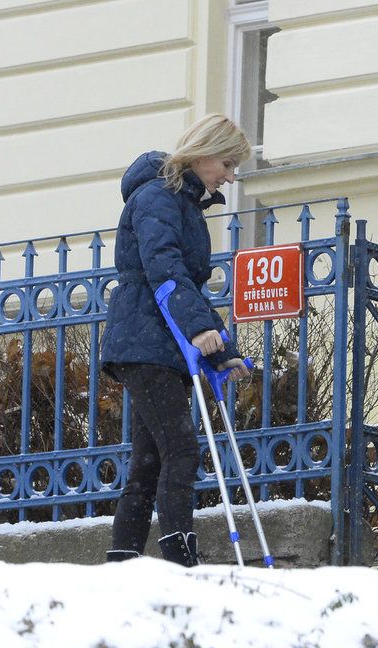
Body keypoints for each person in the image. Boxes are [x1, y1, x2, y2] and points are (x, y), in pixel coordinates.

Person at [101, 114, 252, 566]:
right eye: (226, 163)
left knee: (149, 461)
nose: (229, 176)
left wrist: (223, 351)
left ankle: (123, 559)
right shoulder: (158, 198)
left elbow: (185, 284)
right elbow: (164, 269)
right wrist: (201, 331)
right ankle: (179, 559)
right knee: (180, 448)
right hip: (144, 340)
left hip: (159, 343)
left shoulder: (182, 203)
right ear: (203, 152)